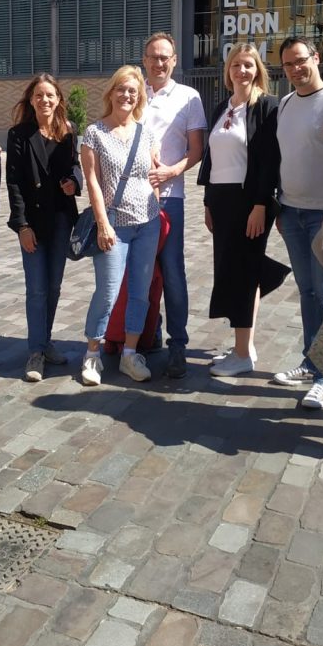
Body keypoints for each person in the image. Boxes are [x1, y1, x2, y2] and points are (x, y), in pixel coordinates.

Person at [197, 42, 289, 377]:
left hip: (249, 201)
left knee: (243, 272)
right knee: (231, 269)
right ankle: (243, 345)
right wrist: (207, 201)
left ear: (258, 70)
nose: (242, 71)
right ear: (228, 71)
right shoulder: (222, 106)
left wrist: (261, 204)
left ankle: (242, 354)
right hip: (221, 202)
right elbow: (211, 158)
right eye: (236, 64)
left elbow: (269, 160)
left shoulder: (267, 107)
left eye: (248, 64)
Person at [272, 37, 323, 411]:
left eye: (301, 60)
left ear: (316, 58)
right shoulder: (284, 103)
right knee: (308, 292)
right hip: (292, 211)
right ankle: (312, 360)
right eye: (288, 64)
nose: (296, 69)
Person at [80, 66, 161, 386]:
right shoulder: (95, 133)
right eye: (121, 89)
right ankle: (91, 354)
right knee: (108, 291)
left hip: (147, 224)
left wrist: (156, 209)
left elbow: (153, 176)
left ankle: (129, 353)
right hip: (114, 225)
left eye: (133, 91)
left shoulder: (147, 133)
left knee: (140, 293)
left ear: (139, 96)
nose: (126, 95)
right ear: (111, 92)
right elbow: (92, 182)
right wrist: (102, 224)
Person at [6, 74, 82, 383]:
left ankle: (46, 341)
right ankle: (35, 352)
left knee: (53, 287)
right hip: (33, 224)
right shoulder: (19, 134)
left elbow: (76, 165)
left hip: (62, 219)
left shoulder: (69, 132)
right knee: (36, 289)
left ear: (58, 99)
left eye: (50, 95)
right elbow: (13, 183)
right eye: (39, 95)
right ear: (31, 100)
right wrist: (21, 225)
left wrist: (73, 182)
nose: (45, 100)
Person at [142, 32, 207, 378]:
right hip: (133, 202)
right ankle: (147, 332)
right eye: (153, 56)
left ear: (174, 60)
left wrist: (172, 171)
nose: (159, 62)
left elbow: (196, 150)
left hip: (170, 200)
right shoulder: (133, 93)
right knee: (139, 273)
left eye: (165, 57)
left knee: (172, 274)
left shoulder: (188, 97)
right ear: (144, 59)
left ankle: (177, 344)